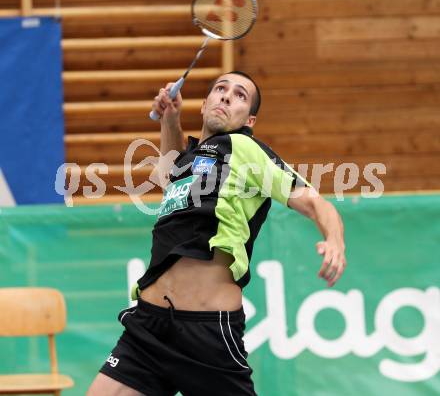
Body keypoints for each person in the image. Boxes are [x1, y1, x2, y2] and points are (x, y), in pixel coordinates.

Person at [87, 71, 346, 396]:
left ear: (249, 119)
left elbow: (314, 202)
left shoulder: (245, 149)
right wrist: (170, 118)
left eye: (239, 95)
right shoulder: (190, 157)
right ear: (205, 102)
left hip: (205, 333)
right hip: (149, 328)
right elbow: (169, 172)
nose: (226, 96)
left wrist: (334, 239)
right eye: (220, 89)